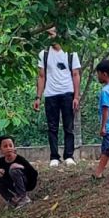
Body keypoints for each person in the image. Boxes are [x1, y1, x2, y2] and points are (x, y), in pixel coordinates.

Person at [33, 26, 81, 167]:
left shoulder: (71, 53)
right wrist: (38, 97)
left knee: (69, 126)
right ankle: (54, 156)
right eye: (49, 34)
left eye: (52, 34)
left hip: (67, 93)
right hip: (50, 94)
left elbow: (76, 74)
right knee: (52, 127)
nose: (50, 37)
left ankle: (69, 155)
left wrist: (76, 96)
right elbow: (41, 76)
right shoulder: (44, 54)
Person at [0, 136, 38, 209]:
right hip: (12, 183)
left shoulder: (20, 159)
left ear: (14, 147)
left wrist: (21, 167)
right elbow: (2, 175)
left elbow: (34, 173)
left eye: (10, 145)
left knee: (14, 169)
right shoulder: (1, 161)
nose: (8, 148)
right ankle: (11, 200)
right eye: (5, 146)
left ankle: (24, 198)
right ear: (0, 149)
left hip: (25, 183)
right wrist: (0, 174)